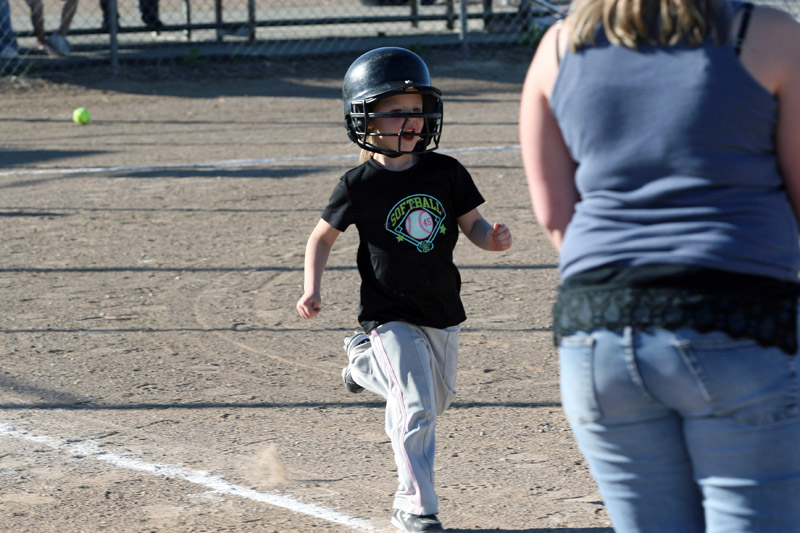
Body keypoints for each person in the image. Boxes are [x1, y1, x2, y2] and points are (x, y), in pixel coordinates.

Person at [519, 0, 800, 530]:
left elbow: (555, 215)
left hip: (597, 323)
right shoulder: (765, 32)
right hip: (736, 317)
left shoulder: (559, 45)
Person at [296, 47, 512, 533]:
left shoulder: (446, 171)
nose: (411, 120)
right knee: (414, 406)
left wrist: (492, 240)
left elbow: (473, 226)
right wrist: (312, 289)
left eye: (416, 109)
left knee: (436, 401)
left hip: (441, 307)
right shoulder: (358, 184)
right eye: (396, 111)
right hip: (388, 311)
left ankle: (362, 364)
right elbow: (321, 238)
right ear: (365, 119)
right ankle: (414, 506)